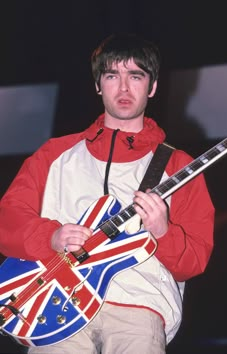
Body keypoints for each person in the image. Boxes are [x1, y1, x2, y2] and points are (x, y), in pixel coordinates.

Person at [0, 33, 215, 354]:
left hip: (139, 307)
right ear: (98, 85)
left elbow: (195, 260)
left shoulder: (179, 165)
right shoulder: (54, 154)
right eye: (112, 75)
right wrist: (52, 237)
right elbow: (8, 219)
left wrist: (163, 232)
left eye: (136, 76)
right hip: (55, 307)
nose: (124, 87)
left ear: (152, 87)